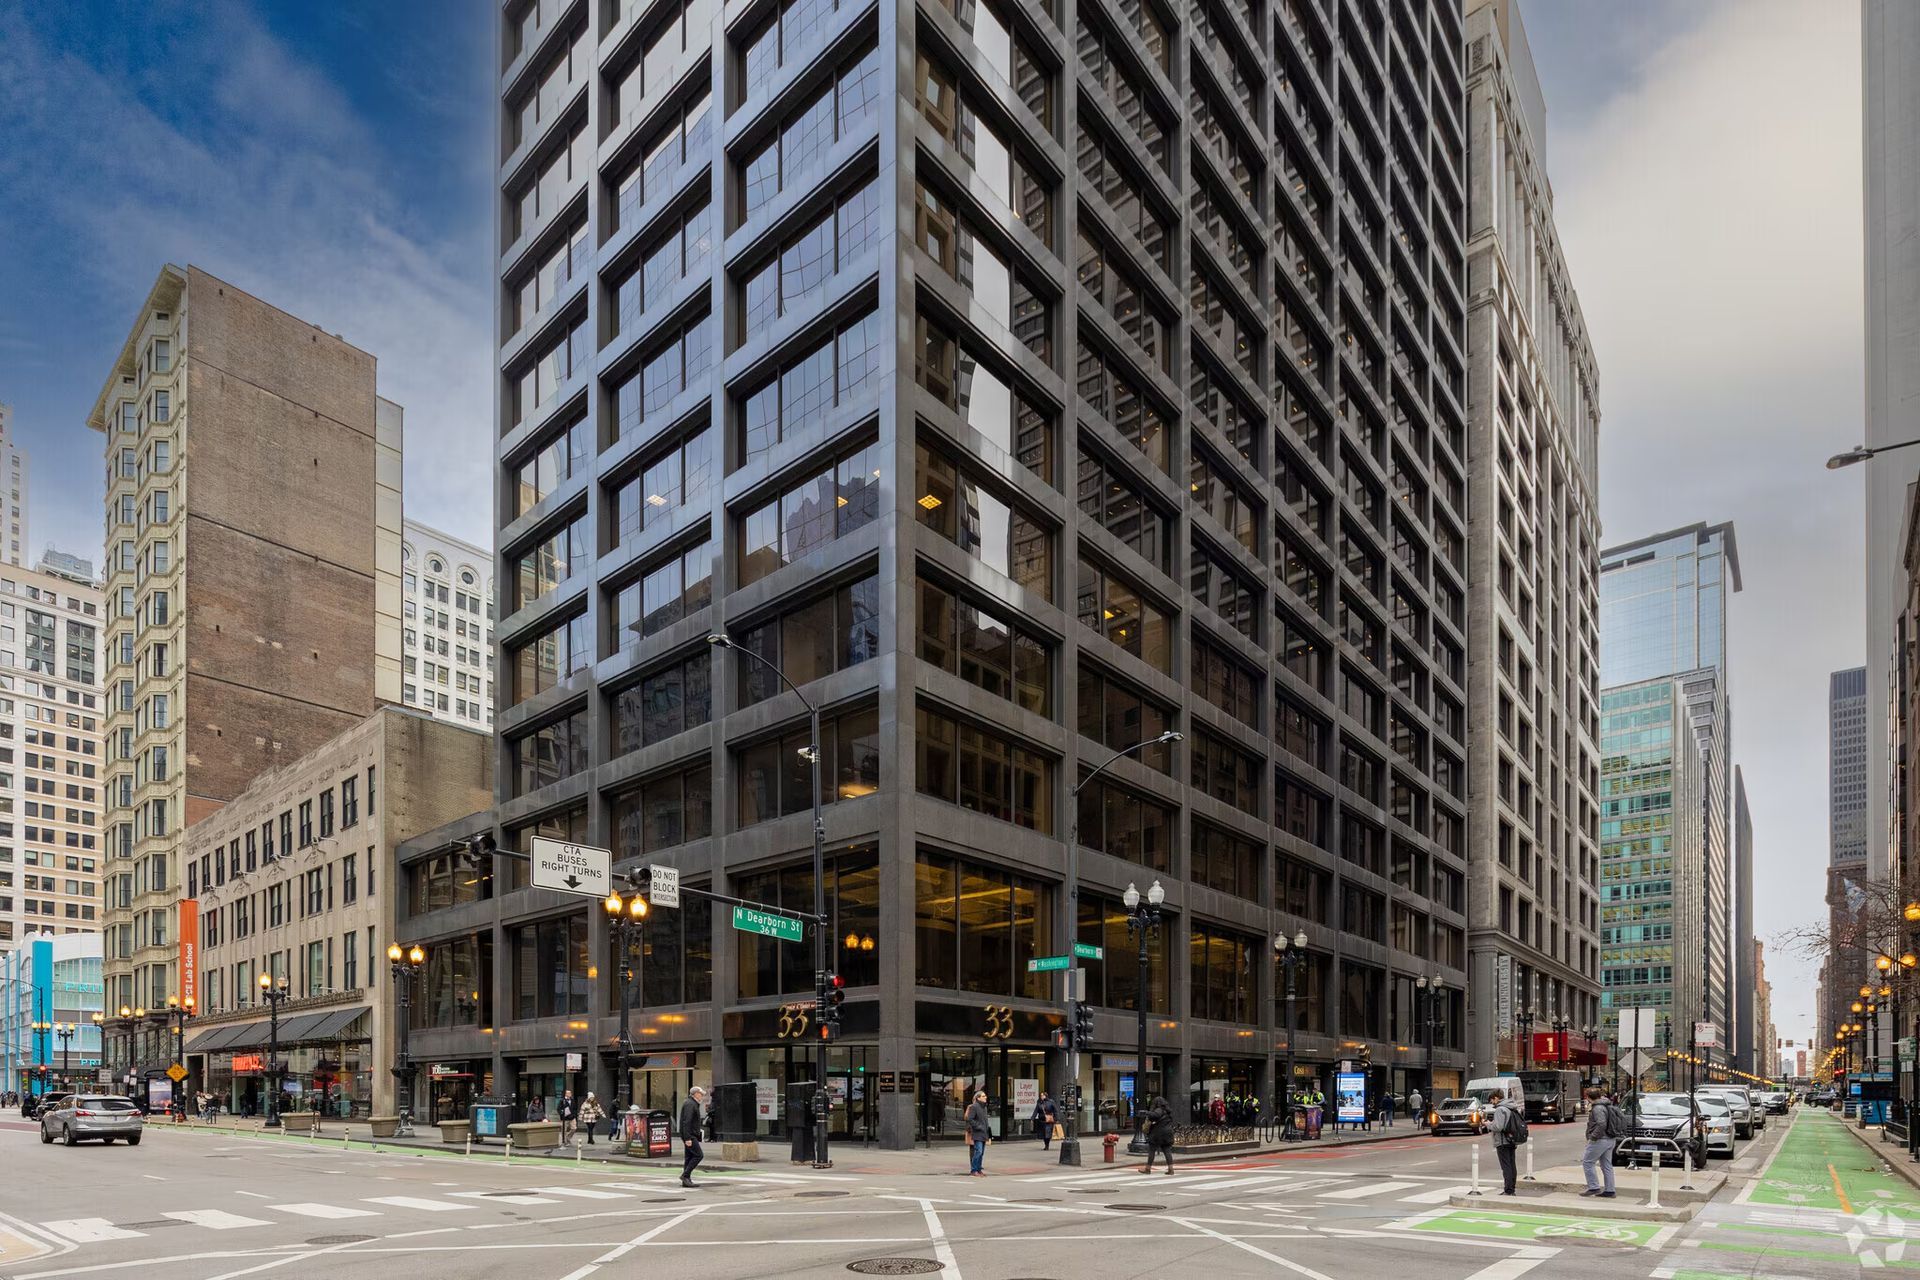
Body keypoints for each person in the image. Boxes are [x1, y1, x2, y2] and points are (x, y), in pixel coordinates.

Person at [1581, 1086, 1623, 1198]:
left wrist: (1593, 1137)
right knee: (1606, 1165)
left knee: (1587, 1162)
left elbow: (1601, 1123)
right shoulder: (1607, 1104)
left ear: (1588, 1097)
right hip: (1610, 1139)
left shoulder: (1597, 1108)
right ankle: (1610, 1190)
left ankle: (1593, 1187)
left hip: (1600, 1140)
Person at [1487, 1090, 1522, 1195]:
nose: (1492, 1102)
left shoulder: (1500, 1109)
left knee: (1506, 1166)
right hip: (1512, 1140)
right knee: (1512, 1165)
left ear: (1496, 1098)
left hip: (1502, 1141)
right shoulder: (1511, 1107)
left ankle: (1508, 1190)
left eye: (1492, 1100)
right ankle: (1512, 1188)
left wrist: (1488, 1124)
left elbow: (1498, 1127)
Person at [679, 1086, 707, 1187]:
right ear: (695, 1094)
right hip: (690, 1135)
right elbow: (687, 1121)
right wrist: (687, 1138)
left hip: (690, 1134)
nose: (702, 1096)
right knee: (698, 1155)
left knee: (689, 1157)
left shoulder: (691, 1103)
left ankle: (686, 1180)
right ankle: (685, 1175)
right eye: (701, 1094)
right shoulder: (690, 1104)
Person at [1142, 1095, 1175, 1174]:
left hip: (1158, 1133)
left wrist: (1147, 1113)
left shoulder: (1159, 1110)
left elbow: (1155, 1115)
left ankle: (1148, 1169)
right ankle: (1171, 1169)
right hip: (1168, 1132)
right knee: (1167, 1151)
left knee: (1152, 1150)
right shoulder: (1167, 1111)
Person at [964, 1090, 992, 1176]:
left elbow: (985, 1120)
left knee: (981, 1152)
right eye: (983, 1096)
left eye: (985, 1096)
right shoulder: (974, 1107)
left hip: (984, 1132)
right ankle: (974, 1170)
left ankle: (979, 1169)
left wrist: (987, 1129)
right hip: (977, 1133)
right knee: (978, 1151)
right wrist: (978, 1126)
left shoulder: (984, 1107)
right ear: (978, 1098)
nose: (985, 1097)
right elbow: (970, 1119)